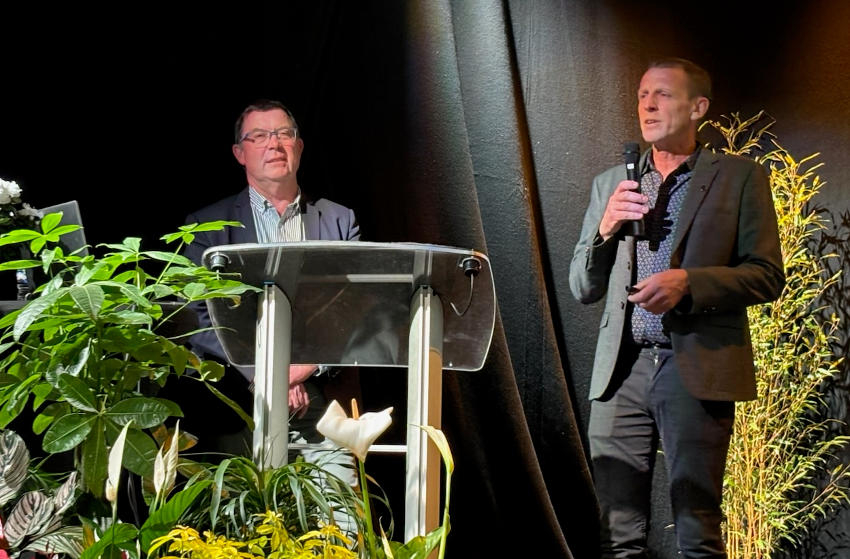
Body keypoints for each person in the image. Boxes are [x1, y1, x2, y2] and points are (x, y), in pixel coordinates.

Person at [569, 58, 785, 558]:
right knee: (616, 535)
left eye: (663, 94)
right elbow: (582, 286)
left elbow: (767, 274)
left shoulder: (738, 178)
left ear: (698, 108)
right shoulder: (612, 184)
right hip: (621, 372)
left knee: (697, 532)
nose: (647, 104)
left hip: (693, 366)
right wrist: (605, 230)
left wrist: (689, 283)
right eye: (643, 94)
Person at [182, 99, 360, 468]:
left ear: (299, 145)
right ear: (240, 153)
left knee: (337, 519)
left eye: (284, 134)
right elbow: (198, 316)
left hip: (323, 399)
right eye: (259, 136)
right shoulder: (207, 227)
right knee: (245, 521)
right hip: (237, 403)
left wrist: (300, 370)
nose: (274, 144)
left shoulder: (339, 221)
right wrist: (265, 373)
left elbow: (354, 308)